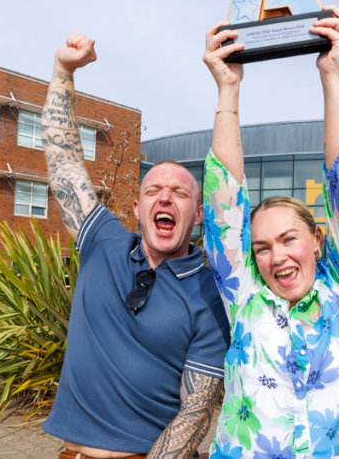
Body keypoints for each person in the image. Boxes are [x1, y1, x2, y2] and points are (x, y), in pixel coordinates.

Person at [200, 6, 339, 459]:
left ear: (317, 241)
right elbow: (224, 200)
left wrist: (331, 75)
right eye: (261, 247)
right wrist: (228, 89)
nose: (276, 256)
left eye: (288, 239)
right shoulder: (245, 296)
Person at [40, 34, 229, 459]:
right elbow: (63, 161)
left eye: (179, 193)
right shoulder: (103, 241)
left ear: (199, 214)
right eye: (153, 191)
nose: (165, 199)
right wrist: (63, 70)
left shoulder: (209, 293)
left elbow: (196, 413)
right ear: (137, 209)